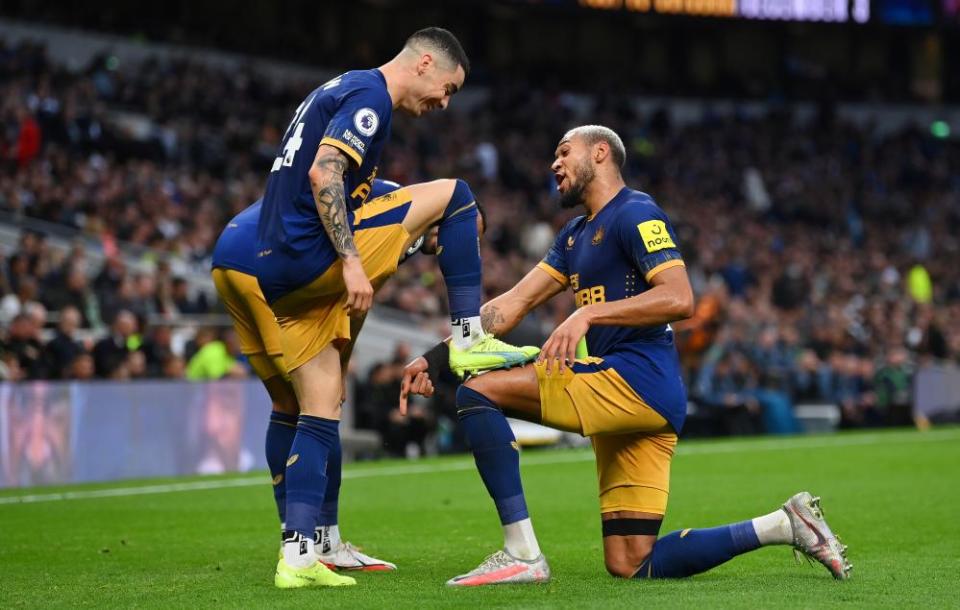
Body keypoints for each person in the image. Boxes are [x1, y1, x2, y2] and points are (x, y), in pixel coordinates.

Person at [400, 125, 852, 585]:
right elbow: (510, 305)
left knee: (479, 391)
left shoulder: (637, 213)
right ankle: (783, 525)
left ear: (600, 153)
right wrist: (436, 358)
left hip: (635, 379)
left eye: (562, 152)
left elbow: (680, 298)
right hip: (640, 400)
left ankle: (522, 553)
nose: (553, 164)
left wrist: (588, 316)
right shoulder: (574, 235)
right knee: (632, 562)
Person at [252, 27, 537, 588]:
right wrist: (352, 262)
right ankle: (468, 336)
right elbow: (323, 173)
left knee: (320, 409)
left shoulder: (334, 91)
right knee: (457, 195)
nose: (444, 103)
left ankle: (299, 557)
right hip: (314, 256)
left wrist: (408, 221)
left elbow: (352, 184)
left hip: (278, 275)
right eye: (447, 88)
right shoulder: (370, 94)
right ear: (425, 62)